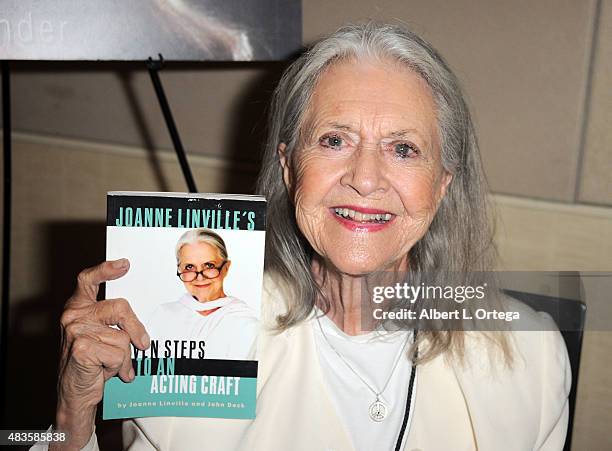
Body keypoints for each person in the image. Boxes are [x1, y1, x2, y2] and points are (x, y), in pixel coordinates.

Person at [47, 22, 570, 451]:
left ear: (442, 185)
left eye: (404, 149)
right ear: (290, 168)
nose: (365, 177)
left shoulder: (533, 362)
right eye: (334, 139)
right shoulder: (182, 342)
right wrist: (71, 422)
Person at [145, 228, 257, 360]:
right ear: (179, 269)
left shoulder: (245, 324)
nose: (200, 278)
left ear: (226, 268)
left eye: (209, 266)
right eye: (189, 267)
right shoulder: (162, 316)